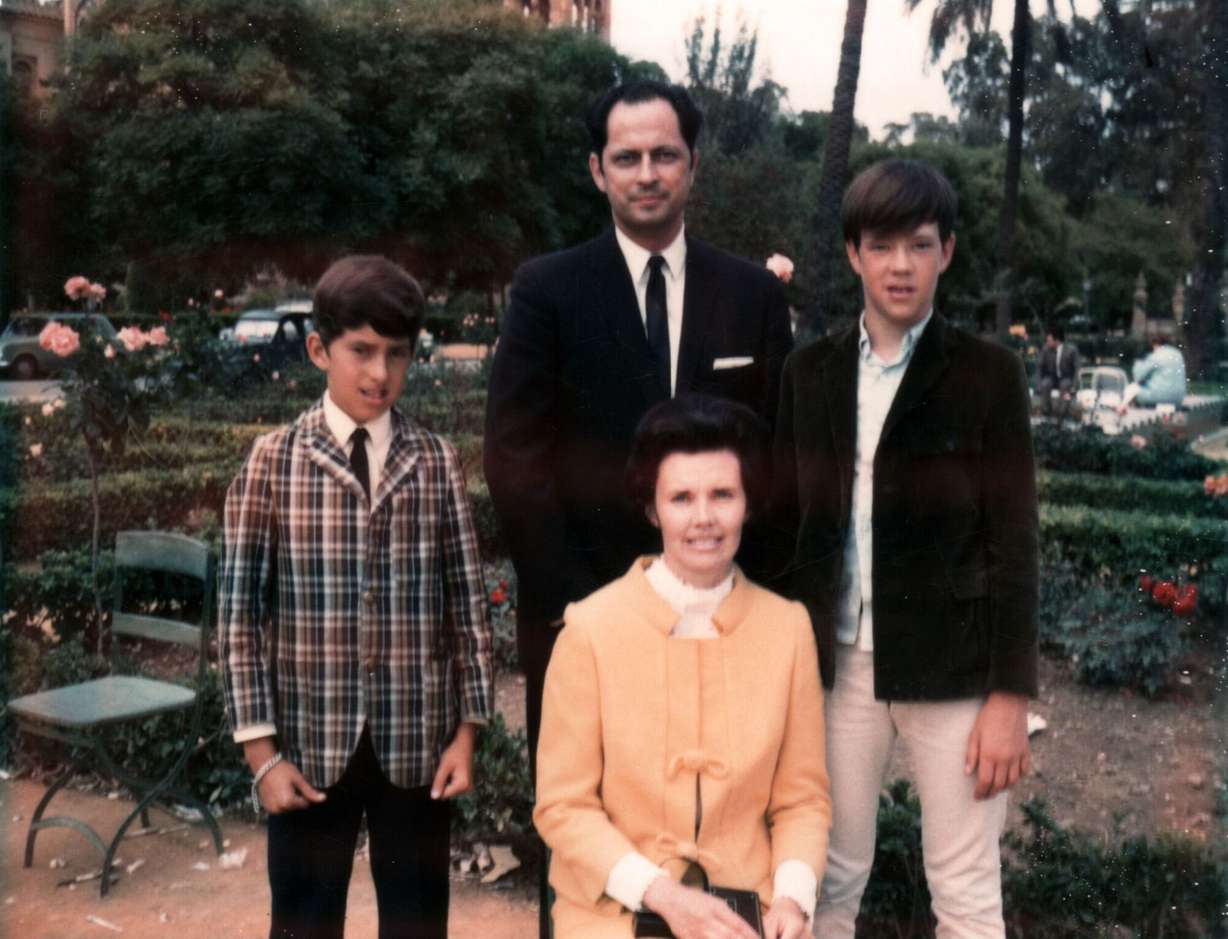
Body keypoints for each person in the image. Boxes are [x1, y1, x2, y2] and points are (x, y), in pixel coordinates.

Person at [484, 78, 793, 769]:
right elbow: (514, 458)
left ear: (693, 165)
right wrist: (584, 607)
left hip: (721, 617)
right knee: (581, 835)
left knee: (716, 826)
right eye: (627, 158)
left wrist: (740, 601)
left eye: (665, 154)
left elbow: (777, 455)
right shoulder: (546, 291)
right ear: (598, 170)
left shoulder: (753, 295)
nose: (647, 174)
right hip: (580, 612)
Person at [772, 159, 1039, 939]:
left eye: (918, 245)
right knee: (824, 874)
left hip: (952, 673)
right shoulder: (809, 373)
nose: (899, 265)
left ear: (946, 252)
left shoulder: (988, 376)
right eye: (881, 245)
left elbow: (1015, 540)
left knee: (963, 887)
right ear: (853, 252)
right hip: (836, 671)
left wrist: (1010, 696)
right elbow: (787, 532)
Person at [219, 255, 494, 939]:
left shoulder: (435, 461)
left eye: (396, 354)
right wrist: (263, 756)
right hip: (309, 750)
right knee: (305, 921)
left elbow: (468, 606)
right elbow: (239, 620)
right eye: (361, 351)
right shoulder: (273, 461)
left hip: (418, 750)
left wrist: (467, 733)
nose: (379, 374)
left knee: (417, 921)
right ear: (319, 349)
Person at [535, 394, 830, 939]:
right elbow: (563, 807)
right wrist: (665, 896)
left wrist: (792, 900)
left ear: (748, 502)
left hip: (748, 911)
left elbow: (802, 800)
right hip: (614, 910)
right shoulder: (590, 631)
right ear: (652, 508)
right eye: (681, 498)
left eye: (723, 494)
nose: (703, 519)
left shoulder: (788, 629)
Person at [1118, 332, 1187, 413]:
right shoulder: (1178, 354)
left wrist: (1138, 362)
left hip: (1158, 397)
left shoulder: (1156, 355)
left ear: (1155, 344)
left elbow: (1138, 377)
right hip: (1178, 399)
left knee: (1132, 388)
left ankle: (1122, 409)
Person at [1035, 323, 1080, 418]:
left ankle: (1061, 414)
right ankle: (1046, 413)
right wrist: (1038, 384)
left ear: (1057, 340)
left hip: (1065, 377)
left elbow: (1077, 369)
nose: (1047, 342)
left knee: (1065, 385)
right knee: (1045, 384)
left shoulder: (1071, 350)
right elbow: (1039, 367)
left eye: (1049, 340)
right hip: (1051, 377)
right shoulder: (1046, 350)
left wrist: (1074, 386)